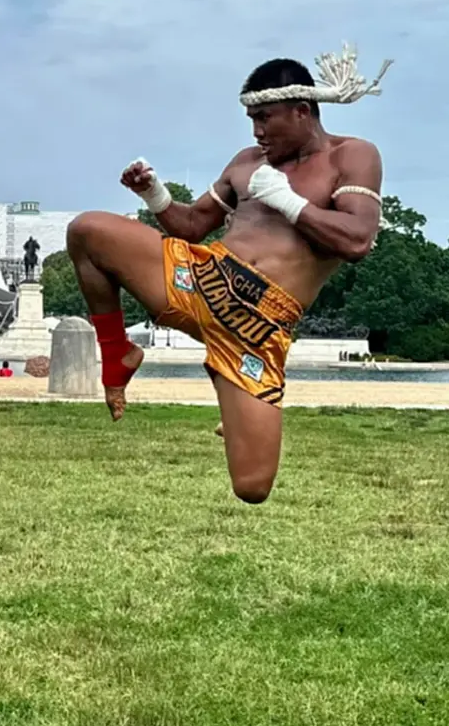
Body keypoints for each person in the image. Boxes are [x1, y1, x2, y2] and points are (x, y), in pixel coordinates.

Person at [65, 45, 390, 503]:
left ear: (302, 111)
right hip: (201, 279)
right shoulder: (246, 163)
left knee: (252, 487)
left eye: (265, 118)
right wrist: (155, 195)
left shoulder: (352, 156)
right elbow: (192, 226)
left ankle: (233, 406)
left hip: (259, 326)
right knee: (87, 231)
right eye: (251, 119)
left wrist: (288, 201)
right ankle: (118, 353)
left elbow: (358, 239)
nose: (257, 131)